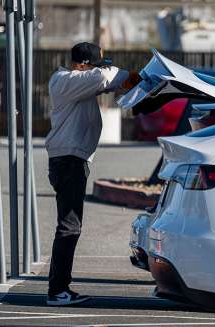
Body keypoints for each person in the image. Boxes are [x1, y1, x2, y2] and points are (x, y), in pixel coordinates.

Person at [45, 42, 141, 306]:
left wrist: (138, 81)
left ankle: (59, 288)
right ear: (81, 65)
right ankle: (57, 291)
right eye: (95, 64)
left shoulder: (78, 82)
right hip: (68, 160)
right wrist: (122, 74)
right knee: (69, 227)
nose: (99, 69)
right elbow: (104, 76)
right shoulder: (65, 81)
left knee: (69, 226)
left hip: (71, 159)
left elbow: (113, 82)